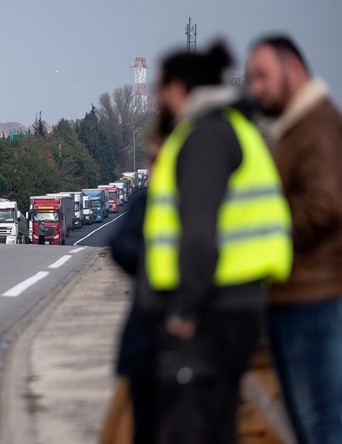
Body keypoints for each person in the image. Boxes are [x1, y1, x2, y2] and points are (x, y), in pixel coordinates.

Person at [146, 42, 292, 443]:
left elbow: (198, 233)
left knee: (192, 428)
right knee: (217, 425)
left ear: (179, 89)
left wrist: (184, 310)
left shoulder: (206, 136)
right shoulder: (232, 127)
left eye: (161, 90)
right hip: (235, 300)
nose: (158, 100)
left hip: (214, 307)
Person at [248, 35, 342, 443]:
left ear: (295, 71)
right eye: (252, 78)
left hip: (313, 298)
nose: (256, 89)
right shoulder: (294, 127)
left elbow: (326, 203)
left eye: (263, 77)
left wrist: (275, 235)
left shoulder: (316, 125)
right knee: (308, 425)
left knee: (321, 424)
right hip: (297, 297)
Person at [105, 120, 168, 444]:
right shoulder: (146, 200)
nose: (148, 166)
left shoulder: (190, 201)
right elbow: (118, 245)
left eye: (155, 159)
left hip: (184, 339)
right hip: (146, 338)